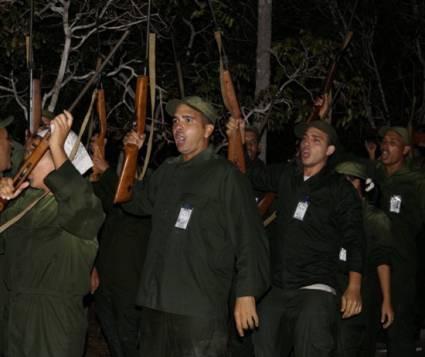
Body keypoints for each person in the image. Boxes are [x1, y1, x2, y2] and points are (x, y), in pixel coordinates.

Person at [121, 96, 270, 357]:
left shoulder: (225, 176)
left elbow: (250, 237)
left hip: (199, 306)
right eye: (175, 121)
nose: (178, 127)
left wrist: (247, 293)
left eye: (188, 120)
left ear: (208, 130)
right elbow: (132, 202)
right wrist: (130, 156)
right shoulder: (167, 171)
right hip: (156, 301)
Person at [227, 118, 365, 357]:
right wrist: (236, 138)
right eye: (304, 139)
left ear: (329, 150)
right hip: (277, 287)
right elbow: (248, 172)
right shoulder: (287, 176)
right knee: (262, 349)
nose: (307, 144)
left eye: (316, 140)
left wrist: (354, 287)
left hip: (316, 287)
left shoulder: (339, 190)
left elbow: (355, 238)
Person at [0, 111, 104, 357]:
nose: (27, 156)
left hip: (51, 325)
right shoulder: (24, 204)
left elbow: (81, 205)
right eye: (28, 149)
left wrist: (56, 145)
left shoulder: (80, 203)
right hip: (14, 319)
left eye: (36, 150)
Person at [366, 126, 425, 356]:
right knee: (366, 329)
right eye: (385, 141)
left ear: (406, 149)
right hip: (370, 264)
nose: (385, 145)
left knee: (398, 332)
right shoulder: (374, 174)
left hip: (400, 266)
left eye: (393, 142)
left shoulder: (416, 182)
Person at [90, 136, 151, 357]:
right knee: (113, 338)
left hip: (130, 288)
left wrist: (105, 171)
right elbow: (98, 202)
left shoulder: (146, 189)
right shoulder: (112, 186)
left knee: (129, 341)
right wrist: (97, 172)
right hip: (105, 283)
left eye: (130, 155)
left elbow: (125, 196)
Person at [335, 161, 394, 356]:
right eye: (339, 180)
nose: (344, 184)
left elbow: (382, 260)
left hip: (365, 294)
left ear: (360, 183)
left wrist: (387, 300)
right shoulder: (331, 213)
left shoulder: (374, 217)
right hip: (333, 293)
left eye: (349, 180)